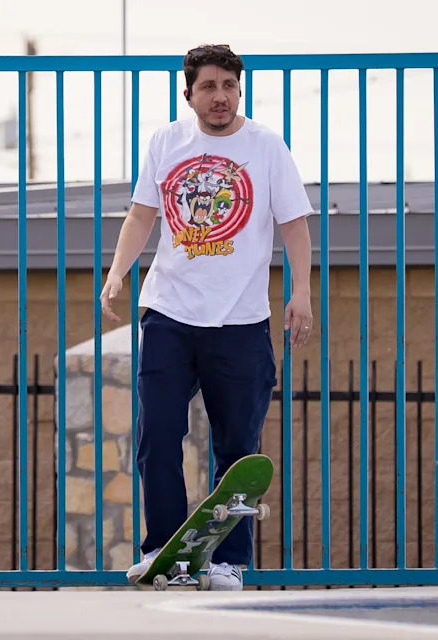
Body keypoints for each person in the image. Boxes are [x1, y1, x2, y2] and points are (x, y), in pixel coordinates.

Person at [100, 44, 315, 591]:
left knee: (238, 448)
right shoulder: (166, 141)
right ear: (188, 92)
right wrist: (118, 272)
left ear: (239, 90)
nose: (220, 97)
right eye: (209, 87)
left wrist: (301, 292)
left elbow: (293, 223)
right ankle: (163, 551)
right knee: (158, 435)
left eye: (229, 87)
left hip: (241, 321)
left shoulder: (266, 146)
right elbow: (142, 213)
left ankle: (227, 560)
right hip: (170, 313)